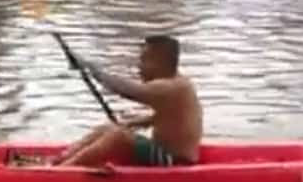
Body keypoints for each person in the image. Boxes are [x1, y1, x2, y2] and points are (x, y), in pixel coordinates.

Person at [53, 35, 202, 168]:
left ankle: (63, 170)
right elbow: (168, 117)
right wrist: (133, 123)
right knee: (109, 128)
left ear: (160, 63)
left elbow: (127, 90)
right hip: (163, 154)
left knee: (119, 136)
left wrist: (94, 70)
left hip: (174, 161)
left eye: (144, 61)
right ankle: (62, 159)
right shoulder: (178, 84)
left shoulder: (170, 87)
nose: (139, 67)